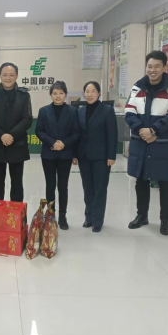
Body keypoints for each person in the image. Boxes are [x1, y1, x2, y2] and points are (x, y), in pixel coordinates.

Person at [125, 50, 168, 236]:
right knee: (141, 181)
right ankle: (142, 216)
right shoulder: (137, 87)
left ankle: (165, 220)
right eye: (149, 66)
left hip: (163, 143)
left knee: (165, 183)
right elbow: (129, 111)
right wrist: (142, 129)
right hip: (141, 142)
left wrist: (154, 130)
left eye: (157, 66)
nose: (152, 70)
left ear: (165, 67)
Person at [73, 81, 118, 233]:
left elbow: (112, 134)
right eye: (87, 91)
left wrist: (111, 155)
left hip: (101, 157)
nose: (90, 94)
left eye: (93, 91)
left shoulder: (107, 110)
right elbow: (77, 135)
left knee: (100, 188)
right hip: (84, 156)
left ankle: (98, 220)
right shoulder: (80, 111)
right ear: (84, 93)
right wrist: (75, 154)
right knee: (87, 188)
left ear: (99, 93)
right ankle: (89, 217)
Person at [35, 81, 79, 230]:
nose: (58, 96)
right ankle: (50, 216)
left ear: (65, 94)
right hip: (48, 154)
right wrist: (52, 142)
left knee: (63, 186)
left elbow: (76, 133)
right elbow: (39, 131)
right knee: (50, 185)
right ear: (51, 95)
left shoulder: (72, 111)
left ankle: (62, 217)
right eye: (55, 93)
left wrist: (63, 143)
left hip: (65, 154)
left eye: (61, 93)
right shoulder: (44, 111)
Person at [0, 63, 32, 202]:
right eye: (5, 75)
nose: (8, 78)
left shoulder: (24, 96)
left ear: (16, 76)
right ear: (0, 76)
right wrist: (2, 135)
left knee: (17, 184)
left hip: (17, 145)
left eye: (11, 75)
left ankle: (16, 214)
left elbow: (27, 119)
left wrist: (11, 135)